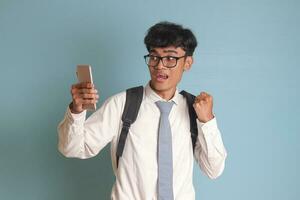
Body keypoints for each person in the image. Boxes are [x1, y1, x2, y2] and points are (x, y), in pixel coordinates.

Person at [57, 21, 227, 200]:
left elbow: (213, 170)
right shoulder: (122, 104)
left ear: (187, 63)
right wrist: (76, 111)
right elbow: (73, 148)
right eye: (154, 57)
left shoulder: (195, 110)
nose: (160, 66)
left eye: (170, 58)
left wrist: (207, 122)